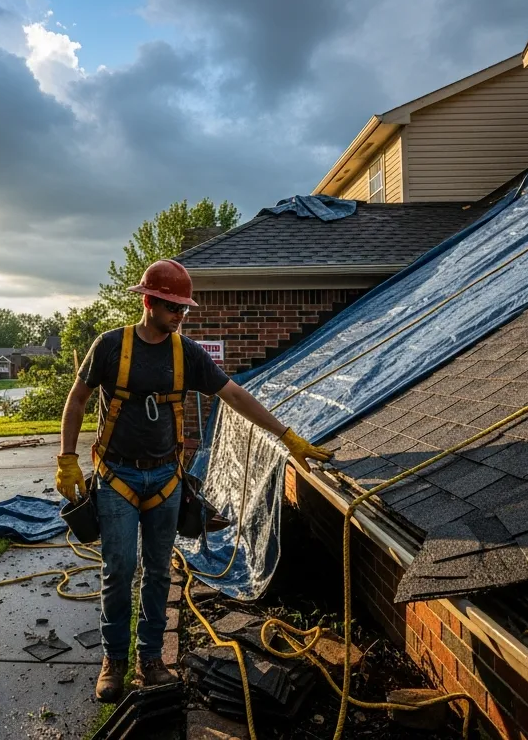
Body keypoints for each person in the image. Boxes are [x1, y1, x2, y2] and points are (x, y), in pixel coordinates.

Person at [56, 258, 333, 703]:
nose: (181, 317)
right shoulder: (110, 346)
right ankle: (114, 660)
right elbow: (77, 398)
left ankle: (150, 660)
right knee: (120, 568)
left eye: (184, 310)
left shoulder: (187, 353)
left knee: (159, 573)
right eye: (173, 309)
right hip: (117, 477)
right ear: (149, 302)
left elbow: (234, 394)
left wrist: (287, 437)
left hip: (166, 478)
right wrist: (67, 458)